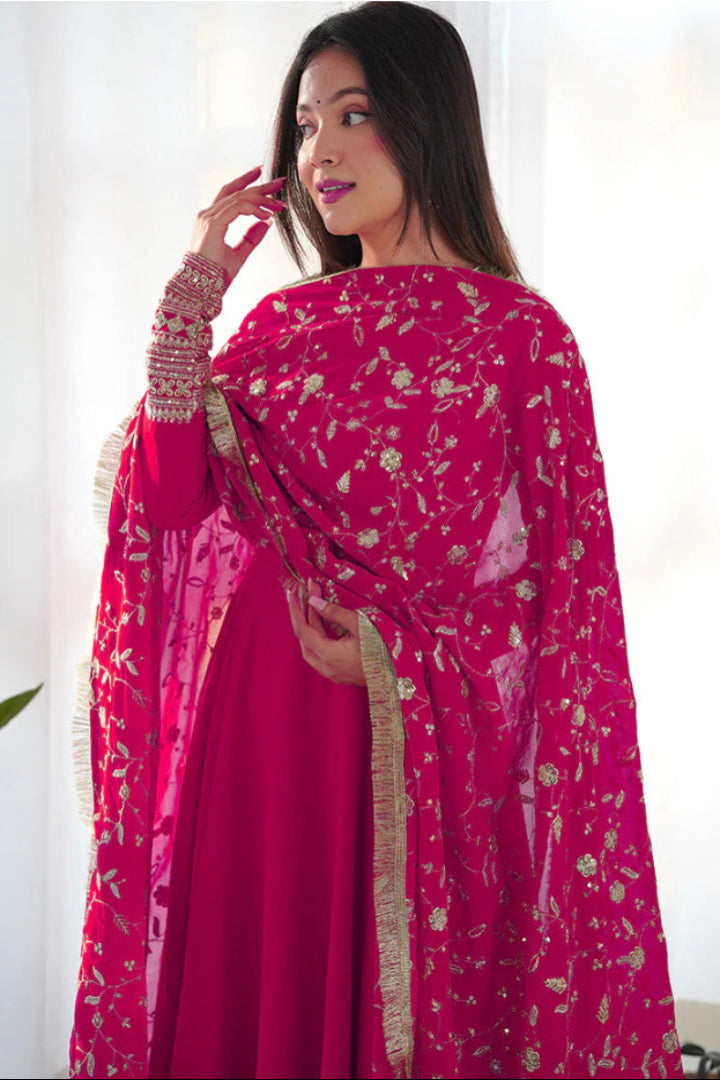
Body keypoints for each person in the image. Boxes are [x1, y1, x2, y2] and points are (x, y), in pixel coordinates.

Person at [68, 3, 683, 1078]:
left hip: (395, 751)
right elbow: (166, 506)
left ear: (426, 116)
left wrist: (397, 663)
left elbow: (562, 603)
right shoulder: (278, 330)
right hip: (257, 734)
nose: (321, 153)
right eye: (305, 126)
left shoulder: (522, 340)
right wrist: (194, 294)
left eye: (353, 114)